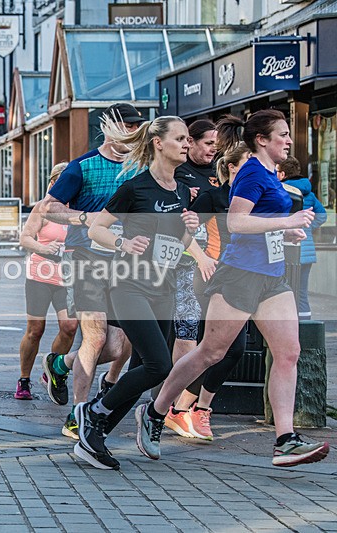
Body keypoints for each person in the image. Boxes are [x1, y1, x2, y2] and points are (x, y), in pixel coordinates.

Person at [145, 110, 329, 468]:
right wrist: (288, 220)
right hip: (241, 275)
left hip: (272, 276)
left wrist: (284, 230)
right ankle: (155, 412)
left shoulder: (271, 175)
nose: (289, 141)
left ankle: (285, 440)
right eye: (283, 135)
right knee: (210, 353)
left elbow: (263, 221)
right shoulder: (250, 172)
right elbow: (237, 221)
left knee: (289, 352)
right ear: (262, 139)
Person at [74, 115, 199, 470]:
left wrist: (190, 229)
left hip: (164, 288)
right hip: (129, 285)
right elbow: (97, 229)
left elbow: (178, 242)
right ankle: (94, 412)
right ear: (159, 143)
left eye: (188, 139)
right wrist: (123, 242)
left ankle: (93, 435)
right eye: (180, 138)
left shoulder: (179, 189)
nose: (186, 144)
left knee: (149, 366)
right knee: (159, 363)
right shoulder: (135, 187)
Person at [39, 103, 140, 440]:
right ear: (109, 127)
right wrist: (83, 218)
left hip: (125, 263)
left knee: (115, 348)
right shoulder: (83, 167)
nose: (133, 132)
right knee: (94, 338)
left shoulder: (138, 168)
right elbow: (49, 207)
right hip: (85, 257)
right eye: (127, 125)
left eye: (137, 126)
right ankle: (77, 415)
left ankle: (59, 364)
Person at [165, 142, 251, 441]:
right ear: (231, 167)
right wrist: (202, 258)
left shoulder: (257, 197)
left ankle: (185, 409)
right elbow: (181, 232)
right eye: (248, 163)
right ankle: (179, 409)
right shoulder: (214, 197)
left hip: (249, 280)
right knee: (223, 348)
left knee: (223, 351)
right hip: (216, 278)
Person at [16, 163, 77, 401]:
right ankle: (24, 380)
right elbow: (24, 238)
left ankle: (51, 370)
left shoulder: (78, 209)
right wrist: (44, 247)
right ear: (53, 183)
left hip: (68, 277)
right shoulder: (43, 208)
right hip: (40, 275)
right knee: (35, 330)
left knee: (70, 327)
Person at [170, 120, 219, 375]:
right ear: (191, 142)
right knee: (186, 329)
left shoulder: (220, 172)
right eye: (208, 143)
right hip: (185, 261)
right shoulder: (178, 170)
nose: (213, 149)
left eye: (216, 144)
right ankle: (176, 398)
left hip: (217, 259)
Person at [277, 156, 327, 320]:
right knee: (302, 293)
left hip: (286, 249)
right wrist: (307, 227)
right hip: (307, 251)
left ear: (282, 174)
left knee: (283, 291)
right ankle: (305, 330)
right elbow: (322, 216)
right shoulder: (310, 194)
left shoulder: (280, 191)